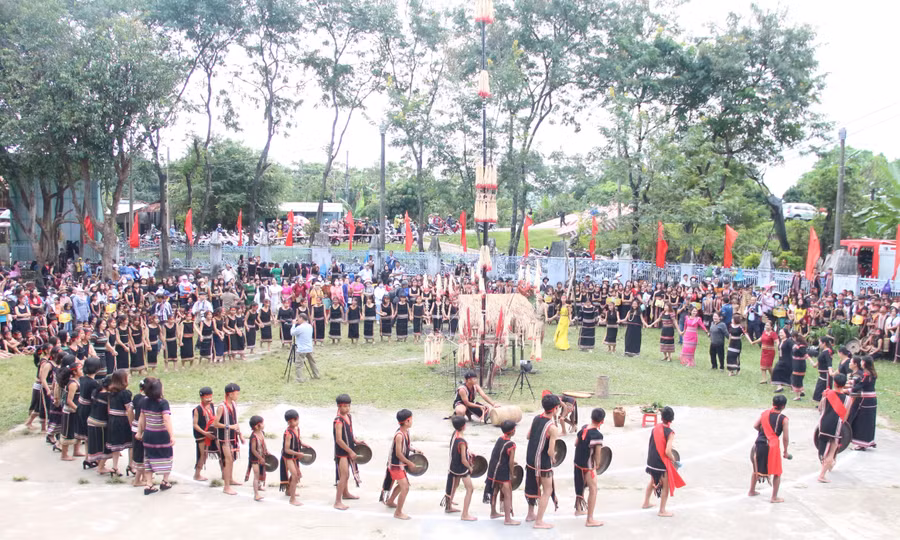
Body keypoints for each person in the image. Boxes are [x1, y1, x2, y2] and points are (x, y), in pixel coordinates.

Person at [525, 393, 560, 529]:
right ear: (556, 408)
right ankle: (539, 521)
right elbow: (550, 452)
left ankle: (530, 514)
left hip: (530, 459)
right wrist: (554, 456)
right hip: (542, 462)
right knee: (547, 490)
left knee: (533, 486)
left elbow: (528, 436)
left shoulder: (536, 418)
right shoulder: (552, 428)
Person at [642, 406, 685, 517]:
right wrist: (674, 460)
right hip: (660, 463)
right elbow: (667, 451)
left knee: (652, 481)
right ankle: (662, 511)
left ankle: (646, 502)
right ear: (672, 418)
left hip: (651, 460)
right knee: (666, 485)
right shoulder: (670, 433)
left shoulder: (656, 428)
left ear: (662, 417)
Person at [136, 377, 175, 495]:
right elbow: (166, 419)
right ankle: (165, 481)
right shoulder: (163, 403)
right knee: (167, 456)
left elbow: (141, 417)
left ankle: (149, 484)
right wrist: (171, 435)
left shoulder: (144, 401)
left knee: (148, 457)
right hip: (161, 435)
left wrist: (139, 432)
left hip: (148, 434)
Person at [749, 395, 790, 502]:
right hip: (772, 446)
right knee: (777, 472)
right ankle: (774, 497)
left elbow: (755, 425)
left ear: (773, 404)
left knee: (755, 468)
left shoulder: (765, 414)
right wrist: (785, 451)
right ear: (784, 406)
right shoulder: (784, 419)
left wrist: (763, 432)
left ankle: (751, 490)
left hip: (759, 443)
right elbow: (785, 438)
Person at [380, 409, 416, 520]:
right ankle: (398, 512)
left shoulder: (406, 432)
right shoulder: (399, 435)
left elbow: (407, 446)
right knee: (405, 488)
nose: (412, 421)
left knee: (402, 486)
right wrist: (409, 463)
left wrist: (415, 450)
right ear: (406, 421)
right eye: (411, 419)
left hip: (399, 465)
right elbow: (398, 453)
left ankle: (390, 501)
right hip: (396, 466)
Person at [483, 420, 519, 526]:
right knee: (507, 494)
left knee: (494, 491)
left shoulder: (500, 439)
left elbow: (499, 454)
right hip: (502, 472)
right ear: (513, 431)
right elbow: (511, 462)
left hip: (493, 469)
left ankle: (493, 512)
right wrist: (512, 473)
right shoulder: (511, 444)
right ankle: (508, 519)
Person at [574, 407, 605, 527]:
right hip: (588, 467)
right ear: (602, 421)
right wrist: (597, 465)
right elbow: (597, 457)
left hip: (577, 463)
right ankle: (590, 519)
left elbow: (576, 443)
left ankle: (578, 509)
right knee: (593, 489)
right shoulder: (597, 435)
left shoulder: (583, 429)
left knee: (580, 485)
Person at [817, 374, 851, 483]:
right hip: (836, 426)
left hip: (823, 424)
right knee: (832, 449)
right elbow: (845, 417)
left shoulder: (827, 394)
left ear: (834, 383)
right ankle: (822, 475)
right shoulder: (848, 399)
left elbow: (820, 409)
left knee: (823, 446)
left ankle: (829, 464)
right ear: (844, 384)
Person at [441, 415, 477, 521]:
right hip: (460, 468)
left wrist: (467, 451)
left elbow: (460, 450)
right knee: (470, 489)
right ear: (464, 426)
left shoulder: (455, 434)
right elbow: (464, 460)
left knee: (455, 485)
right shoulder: (462, 441)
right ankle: (465, 514)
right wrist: (470, 467)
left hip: (453, 465)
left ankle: (448, 507)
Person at [214, 383, 243, 495]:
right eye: (236, 393)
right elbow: (215, 423)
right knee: (228, 460)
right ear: (230, 394)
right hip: (224, 439)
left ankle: (230, 479)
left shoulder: (234, 404)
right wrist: (228, 426)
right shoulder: (222, 407)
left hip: (232, 437)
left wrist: (239, 433)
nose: (238, 395)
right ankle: (226, 487)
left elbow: (235, 421)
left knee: (232, 460)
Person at [333, 393, 361, 510]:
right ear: (339, 407)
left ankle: (346, 493)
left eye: (348, 406)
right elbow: (339, 440)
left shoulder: (349, 416)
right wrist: (350, 451)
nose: (347, 408)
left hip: (348, 449)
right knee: (344, 476)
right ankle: (337, 501)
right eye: (344, 406)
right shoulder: (338, 421)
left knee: (347, 475)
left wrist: (355, 441)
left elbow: (349, 432)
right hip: (342, 452)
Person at [849, 356, 877, 450]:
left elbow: (861, 385)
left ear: (864, 363)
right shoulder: (872, 373)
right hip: (872, 399)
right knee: (869, 421)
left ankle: (862, 443)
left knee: (862, 421)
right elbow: (861, 382)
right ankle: (868, 441)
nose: (860, 363)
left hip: (866, 400)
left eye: (861, 361)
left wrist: (849, 389)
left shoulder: (867, 374)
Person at [192, 387, 218, 481]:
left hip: (209, 434)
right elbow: (195, 425)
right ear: (201, 397)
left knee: (206, 455)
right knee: (202, 455)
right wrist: (205, 433)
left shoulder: (211, 405)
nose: (208, 400)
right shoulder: (197, 409)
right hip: (201, 435)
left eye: (210, 397)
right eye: (206, 398)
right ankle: (197, 474)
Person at [279, 409, 304, 506]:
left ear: (297, 419)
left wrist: (304, 445)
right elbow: (287, 449)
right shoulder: (288, 433)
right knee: (295, 476)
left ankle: (289, 491)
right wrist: (298, 454)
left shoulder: (297, 429)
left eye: (293, 421)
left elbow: (298, 441)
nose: (292, 423)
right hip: (288, 457)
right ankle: (292, 499)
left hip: (294, 457)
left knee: (297, 475)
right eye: (289, 422)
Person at [290, 313, 320, 382]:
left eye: (298, 318)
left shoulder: (300, 327)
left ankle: (299, 378)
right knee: (312, 362)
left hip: (301, 348)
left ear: (301, 318)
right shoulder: (310, 326)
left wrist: (293, 324)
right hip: (309, 348)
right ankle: (316, 375)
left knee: (299, 364)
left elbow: (292, 333)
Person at [246, 415, 267, 502]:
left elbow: (264, 444)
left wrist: (266, 451)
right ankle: (256, 494)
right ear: (257, 426)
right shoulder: (254, 437)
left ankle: (258, 486)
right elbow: (253, 450)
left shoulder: (262, 433)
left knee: (261, 472)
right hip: (255, 459)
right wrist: (260, 458)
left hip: (261, 456)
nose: (263, 424)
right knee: (256, 475)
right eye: (262, 423)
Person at [812, 336, 835, 402]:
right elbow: (820, 360)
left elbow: (829, 362)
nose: (819, 344)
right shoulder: (824, 351)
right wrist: (815, 364)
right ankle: (822, 403)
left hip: (826, 374)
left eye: (820, 342)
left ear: (824, 343)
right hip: (822, 374)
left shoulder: (827, 351)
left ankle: (826, 403)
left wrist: (830, 372)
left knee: (825, 389)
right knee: (819, 389)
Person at [772, 328, 793, 393]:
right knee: (776, 371)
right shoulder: (781, 341)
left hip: (787, 360)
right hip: (781, 359)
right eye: (780, 333)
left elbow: (794, 348)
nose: (780, 334)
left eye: (782, 333)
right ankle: (779, 386)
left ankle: (793, 387)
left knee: (788, 373)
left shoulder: (788, 341)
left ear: (786, 334)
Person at [790, 333, 808, 401]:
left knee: (796, 378)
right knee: (799, 378)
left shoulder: (800, 346)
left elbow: (805, 354)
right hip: (799, 363)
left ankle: (798, 396)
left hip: (798, 364)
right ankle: (801, 391)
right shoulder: (799, 346)